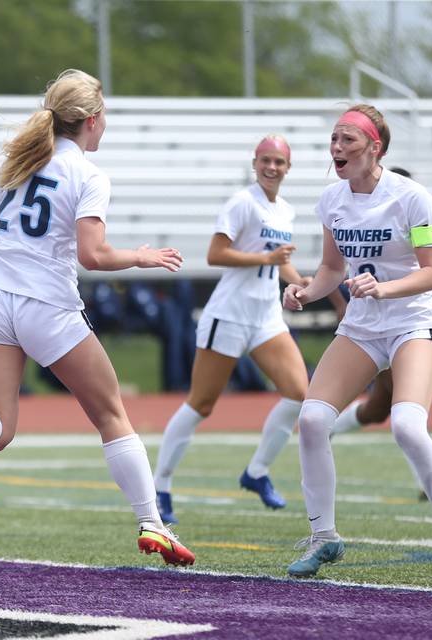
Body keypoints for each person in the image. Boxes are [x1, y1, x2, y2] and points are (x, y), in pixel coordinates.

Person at [0, 69, 194, 567]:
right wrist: (140, 256)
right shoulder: (89, 175)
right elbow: (93, 255)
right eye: (104, 114)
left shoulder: (17, 161)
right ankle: (153, 523)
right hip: (44, 302)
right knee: (111, 414)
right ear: (91, 120)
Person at [282, 105, 432, 585]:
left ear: (377, 148)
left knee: (408, 428)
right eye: (334, 139)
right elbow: (333, 268)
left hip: (413, 322)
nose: (337, 149)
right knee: (311, 421)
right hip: (364, 325)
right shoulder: (331, 199)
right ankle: (323, 537)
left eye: (348, 140)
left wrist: (383, 288)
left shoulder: (413, 197)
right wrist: (305, 291)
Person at [153, 135, 310, 524]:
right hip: (230, 313)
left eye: (279, 162)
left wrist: (301, 280)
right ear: (255, 162)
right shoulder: (242, 202)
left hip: (266, 315)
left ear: (289, 168)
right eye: (266, 161)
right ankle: (160, 485)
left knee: (299, 394)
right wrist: (266, 258)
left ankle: (256, 472)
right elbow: (216, 254)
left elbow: (277, 265)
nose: (272, 167)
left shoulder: (286, 210)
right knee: (201, 403)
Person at [332, 167, 432, 440]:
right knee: (388, 409)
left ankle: (427, 476)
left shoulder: (422, 224)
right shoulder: (363, 223)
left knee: (396, 411)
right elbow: (330, 269)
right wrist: (340, 303)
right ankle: (325, 427)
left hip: (409, 324)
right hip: (371, 327)